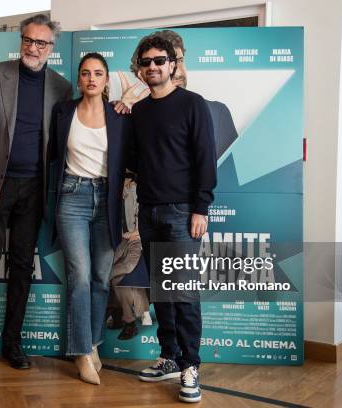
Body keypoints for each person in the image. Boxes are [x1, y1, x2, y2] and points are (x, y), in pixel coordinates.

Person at [0, 14, 73, 373]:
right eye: (28, 40)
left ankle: (12, 344)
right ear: (20, 41)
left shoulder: (61, 87)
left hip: (35, 190)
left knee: (23, 268)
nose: (33, 47)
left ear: (51, 48)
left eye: (41, 42)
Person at [129, 36, 216, 403]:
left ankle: (191, 365)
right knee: (161, 292)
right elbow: (135, 160)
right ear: (140, 68)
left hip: (183, 212)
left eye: (159, 61)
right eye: (146, 62)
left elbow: (205, 160)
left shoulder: (193, 104)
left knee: (181, 292)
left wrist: (201, 208)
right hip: (148, 212)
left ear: (173, 65)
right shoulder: (139, 111)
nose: (153, 67)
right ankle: (169, 357)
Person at [49, 52, 129, 384]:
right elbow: (53, 155)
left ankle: (94, 342)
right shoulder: (63, 111)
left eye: (98, 73)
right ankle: (81, 352)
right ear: (79, 79)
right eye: (85, 73)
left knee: (100, 277)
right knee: (79, 276)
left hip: (108, 200)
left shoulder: (120, 115)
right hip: (72, 196)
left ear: (107, 79)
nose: (92, 78)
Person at [121, 29, 237, 159]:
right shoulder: (136, 112)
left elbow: (230, 170)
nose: (177, 72)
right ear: (141, 75)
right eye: (159, 62)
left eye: (180, 61)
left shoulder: (217, 111)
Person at [107, 176, 151, 341]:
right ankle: (127, 320)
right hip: (118, 241)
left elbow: (146, 217)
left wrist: (137, 233)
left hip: (137, 242)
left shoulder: (139, 189)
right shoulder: (111, 189)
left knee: (123, 271)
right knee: (118, 279)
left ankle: (126, 320)